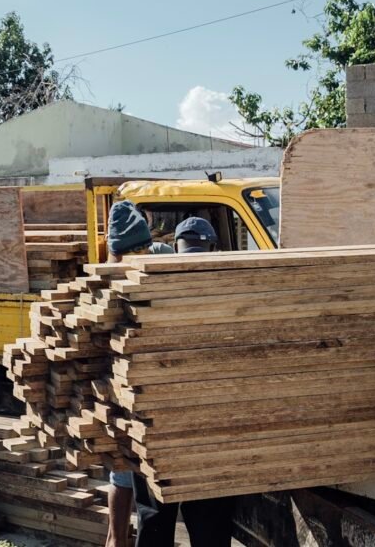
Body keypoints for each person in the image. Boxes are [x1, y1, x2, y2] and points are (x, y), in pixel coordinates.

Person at [131, 217, 235, 547]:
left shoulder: (148, 290)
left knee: (158, 522)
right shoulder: (229, 295)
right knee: (205, 526)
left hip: (163, 430)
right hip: (199, 435)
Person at [103, 200, 174, 547]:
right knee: (123, 473)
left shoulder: (158, 264)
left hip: (154, 392)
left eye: (141, 249)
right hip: (122, 392)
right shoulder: (106, 282)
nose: (137, 257)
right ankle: (117, 541)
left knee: (144, 482)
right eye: (129, 253)